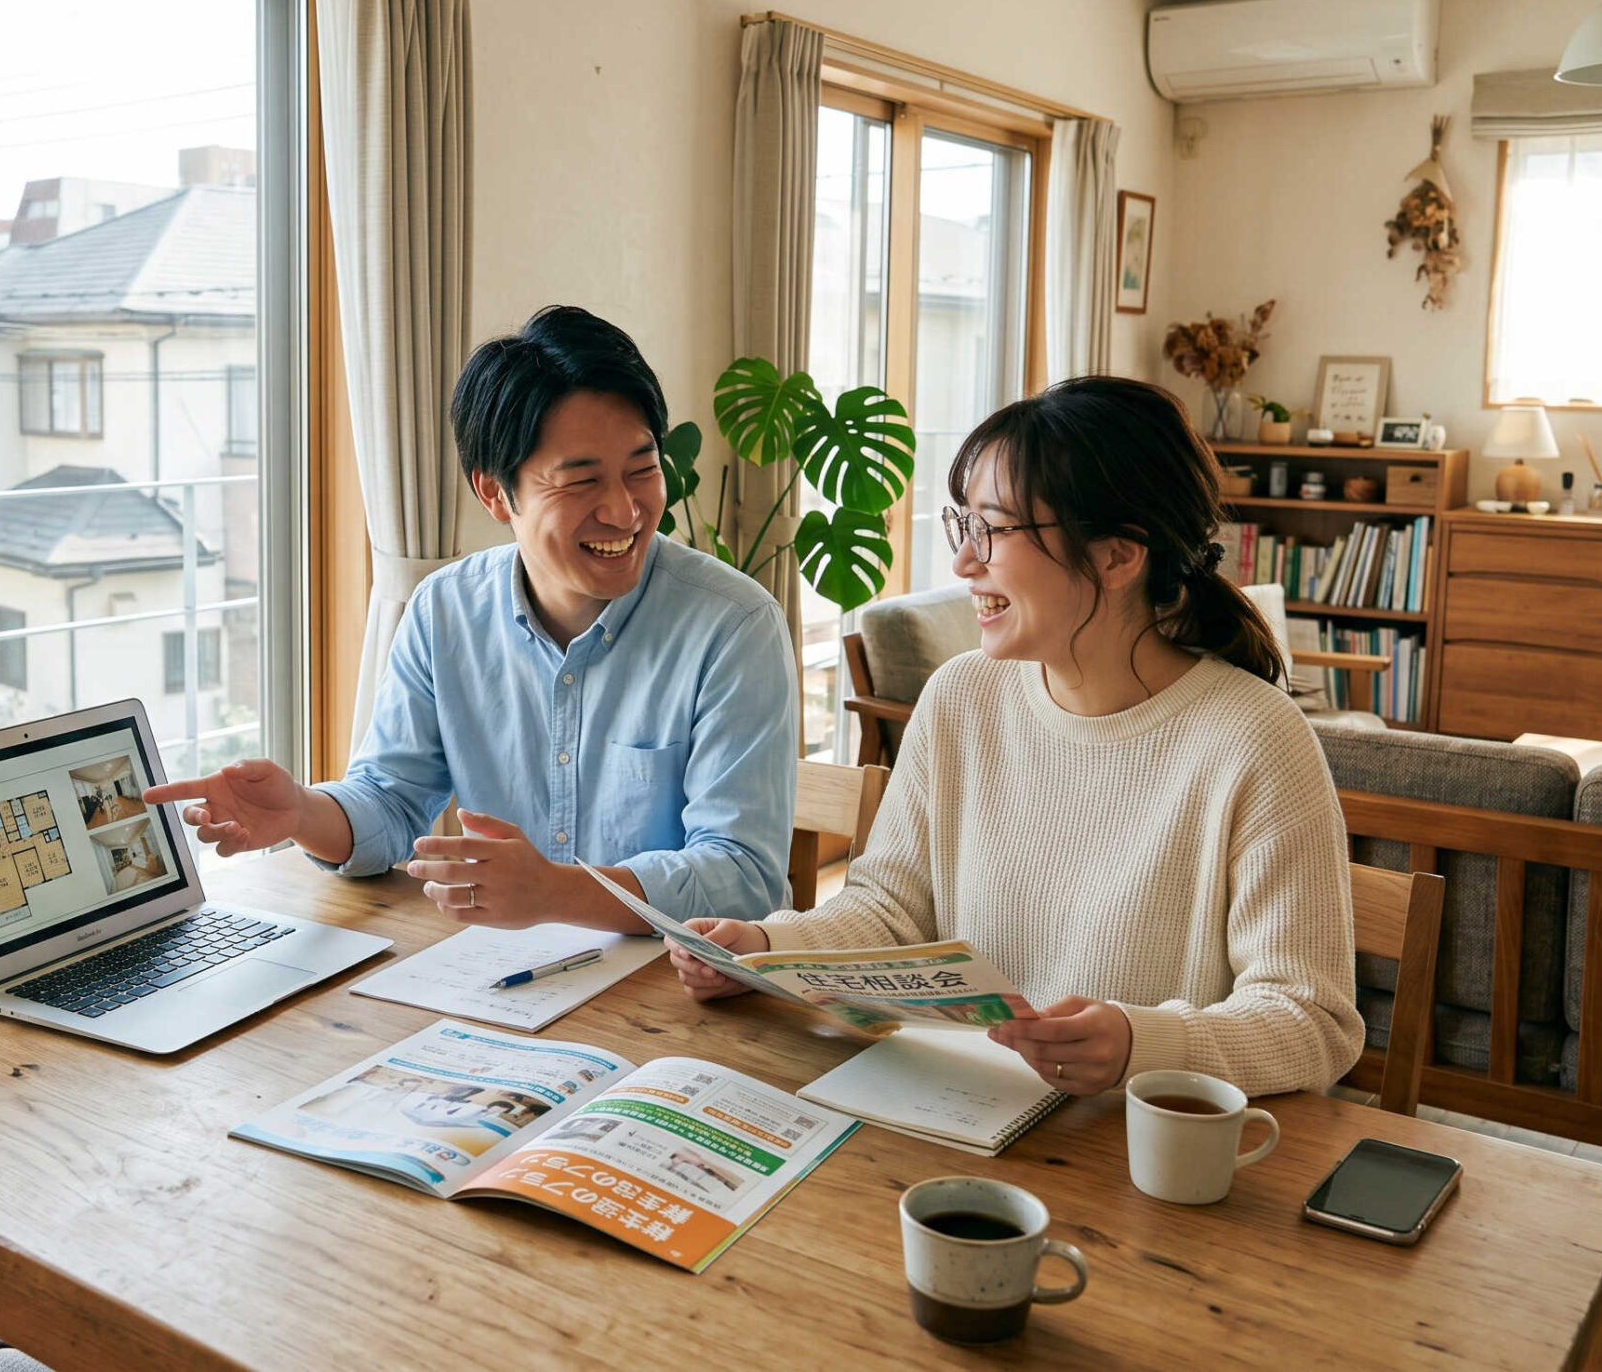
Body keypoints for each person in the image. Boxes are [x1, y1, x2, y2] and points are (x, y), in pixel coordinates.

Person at [668, 376, 1364, 1098]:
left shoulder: (1256, 740)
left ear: (1119, 555)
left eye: (993, 530)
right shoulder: (961, 696)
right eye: (962, 525)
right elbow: (890, 911)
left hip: (1132, 1156)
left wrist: (1143, 1044)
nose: (965, 562)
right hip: (952, 1111)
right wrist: (765, 947)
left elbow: (1311, 1019)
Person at [145, 305, 797, 931]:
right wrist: (302, 812)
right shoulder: (444, 612)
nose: (625, 511)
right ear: (494, 491)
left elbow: (742, 877)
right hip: (499, 986)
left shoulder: (732, 627)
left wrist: (553, 893)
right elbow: (393, 801)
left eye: (642, 469)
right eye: (581, 482)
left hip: (678, 995)